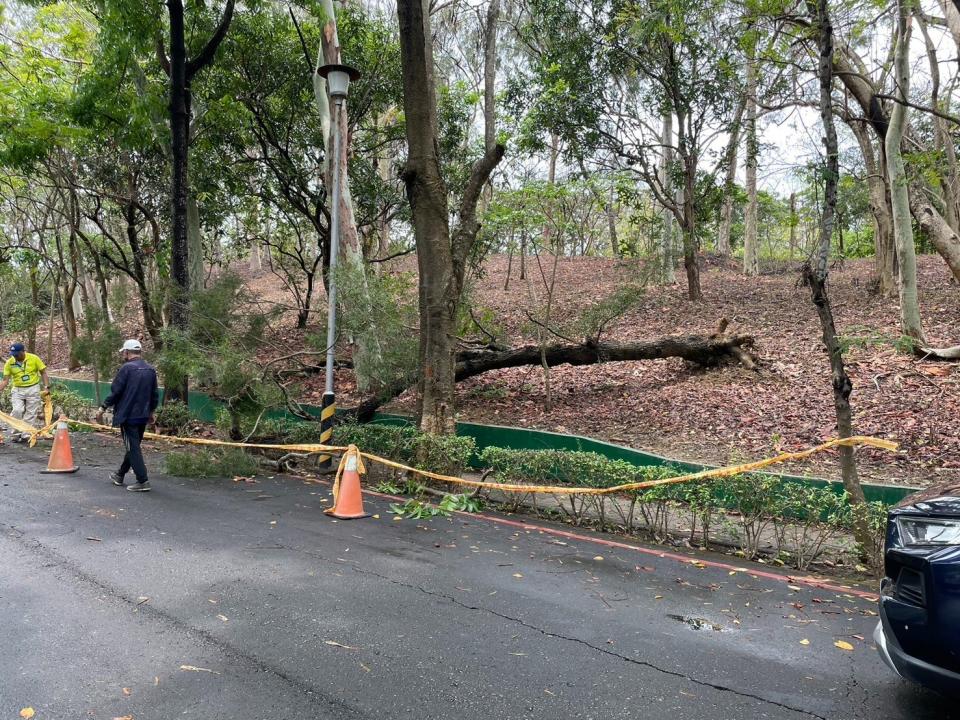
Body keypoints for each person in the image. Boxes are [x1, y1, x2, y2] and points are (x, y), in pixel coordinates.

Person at [96, 339, 159, 492]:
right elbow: (154, 394)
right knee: (133, 446)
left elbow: (116, 392)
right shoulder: (150, 370)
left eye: (123, 352)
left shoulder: (126, 369)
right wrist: (151, 412)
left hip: (128, 415)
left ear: (127, 352)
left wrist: (103, 407)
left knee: (133, 448)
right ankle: (120, 475)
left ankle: (142, 480)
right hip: (143, 415)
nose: (123, 354)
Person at [0, 342, 50, 443]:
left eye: (17, 354)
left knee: (31, 413)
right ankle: (15, 433)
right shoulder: (10, 363)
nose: (15, 356)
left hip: (33, 388)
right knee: (17, 410)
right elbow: (5, 380)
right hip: (18, 389)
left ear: (23, 351)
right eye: (13, 354)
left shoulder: (34, 358)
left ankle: (26, 433)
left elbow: (43, 372)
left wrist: (46, 387)